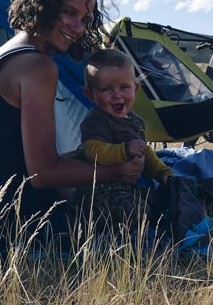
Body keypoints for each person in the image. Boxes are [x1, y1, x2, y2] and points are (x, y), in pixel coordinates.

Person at [0, 0, 144, 240]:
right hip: (19, 223)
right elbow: (42, 174)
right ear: (43, 6)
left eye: (85, 19)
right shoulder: (38, 67)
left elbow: (7, 157)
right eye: (68, 12)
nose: (78, 27)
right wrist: (117, 171)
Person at [73, 48, 173, 231]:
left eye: (124, 87)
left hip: (128, 188)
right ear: (90, 94)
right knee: (135, 211)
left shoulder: (136, 121)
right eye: (106, 89)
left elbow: (146, 152)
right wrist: (125, 149)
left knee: (165, 199)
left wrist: (163, 173)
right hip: (99, 190)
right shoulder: (96, 120)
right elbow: (92, 150)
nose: (117, 95)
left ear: (135, 88)